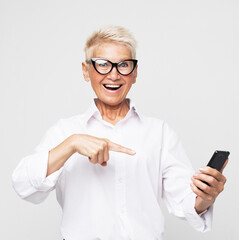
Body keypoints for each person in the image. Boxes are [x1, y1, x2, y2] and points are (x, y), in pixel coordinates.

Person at [12, 25, 228, 240]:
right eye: (103, 64)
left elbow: (185, 201)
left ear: (134, 73)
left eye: (124, 65)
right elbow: (24, 185)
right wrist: (71, 144)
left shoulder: (159, 132)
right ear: (86, 71)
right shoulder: (65, 131)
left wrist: (206, 197)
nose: (114, 75)